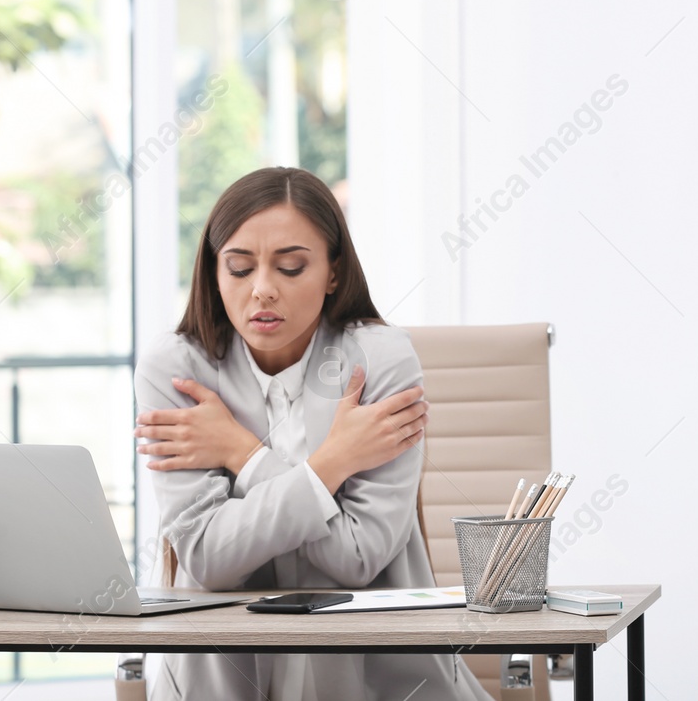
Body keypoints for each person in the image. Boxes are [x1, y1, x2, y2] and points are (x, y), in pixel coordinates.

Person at [134, 166, 494, 701]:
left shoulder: (380, 359)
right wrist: (331, 465)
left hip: (379, 677)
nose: (262, 291)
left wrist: (240, 451)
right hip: (222, 676)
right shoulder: (177, 369)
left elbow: (358, 557)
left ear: (332, 271)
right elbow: (209, 559)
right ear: (213, 273)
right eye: (238, 268)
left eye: (291, 267)